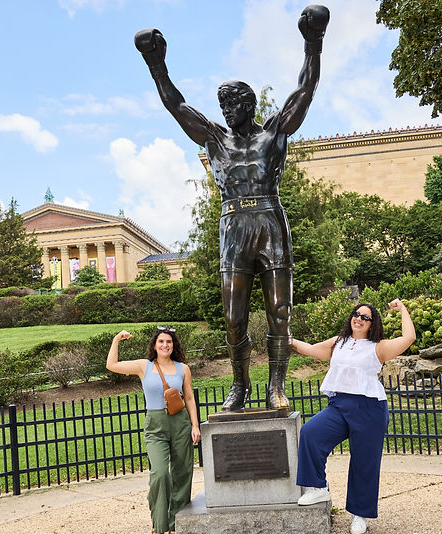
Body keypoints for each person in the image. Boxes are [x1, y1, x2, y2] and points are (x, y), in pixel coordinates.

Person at [134, 5, 330, 412]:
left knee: (279, 310)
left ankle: (277, 386)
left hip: (270, 221)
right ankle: (239, 386)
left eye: (232, 104)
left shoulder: (274, 132)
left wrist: (313, 42)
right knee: (233, 316)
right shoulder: (215, 139)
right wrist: (156, 63)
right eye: (221, 105)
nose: (225, 111)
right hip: (233, 226)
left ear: (249, 104)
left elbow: (304, 91)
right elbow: (177, 106)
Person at [291, 299, 416, 534]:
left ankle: (360, 514)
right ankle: (318, 487)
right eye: (356, 314)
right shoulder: (339, 342)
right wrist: (284, 337)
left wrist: (403, 310)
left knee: (364, 462)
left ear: (372, 323)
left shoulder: (378, 347)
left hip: (369, 409)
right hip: (339, 405)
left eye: (365, 317)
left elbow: (408, 338)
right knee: (310, 433)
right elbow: (310, 348)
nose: (359, 318)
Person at [106, 327, 202, 534]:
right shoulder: (144, 366)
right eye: (161, 341)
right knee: (160, 473)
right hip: (155, 425)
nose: (165, 345)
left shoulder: (183, 368)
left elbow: (188, 398)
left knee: (182, 472)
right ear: (154, 345)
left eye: (169, 342)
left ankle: (175, 522)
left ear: (174, 345)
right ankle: (158, 523)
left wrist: (195, 425)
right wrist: (116, 340)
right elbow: (111, 366)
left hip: (180, 423)